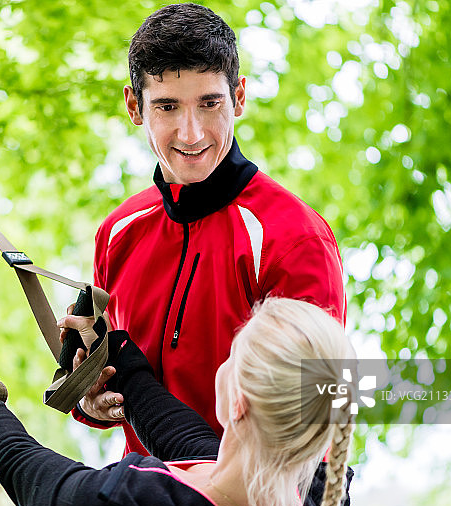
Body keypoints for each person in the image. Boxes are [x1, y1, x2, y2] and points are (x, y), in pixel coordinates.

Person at [70, 3, 346, 457]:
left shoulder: (294, 239)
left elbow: (310, 419)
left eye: (210, 103)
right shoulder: (117, 233)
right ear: (134, 106)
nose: (191, 131)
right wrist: (95, 400)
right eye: (167, 106)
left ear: (238, 97)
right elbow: (109, 391)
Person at [0, 297, 354, 506]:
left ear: (237, 402)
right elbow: (190, 441)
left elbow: (25, 469)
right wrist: (116, 351)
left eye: (233, 356)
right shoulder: (313, 499)